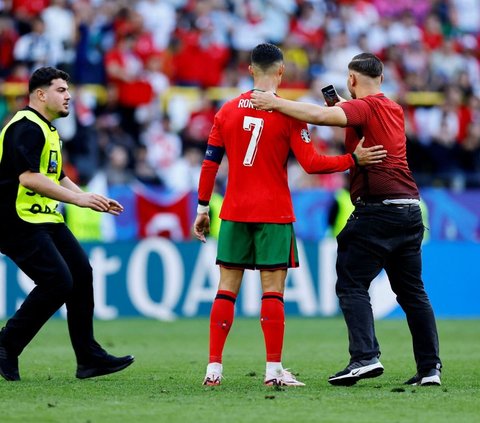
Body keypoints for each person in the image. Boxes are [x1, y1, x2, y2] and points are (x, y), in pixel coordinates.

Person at [192, 44, 386, 387]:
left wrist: (203, 207)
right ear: (281, 72)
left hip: (235, 210)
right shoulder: (290, 113)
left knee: (226, 291)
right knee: (273, 293)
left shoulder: (226, 111)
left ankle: (213, 369)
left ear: (251, 70)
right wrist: (353, 160)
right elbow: (312, 164)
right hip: (274, 212)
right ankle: (273, 372)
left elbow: (210, 164)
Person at [251, 52, 442, 387]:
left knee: (351, 283)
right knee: (413, 293)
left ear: (352, 80)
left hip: (377, 210)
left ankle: (364, 357)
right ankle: (430, 369)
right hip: (410, 209)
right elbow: (352, 113)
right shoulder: (392, 108)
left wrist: (274, 103)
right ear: (381, 79)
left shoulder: (361, 107)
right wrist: (341, 103)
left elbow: (320, 116)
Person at [0, 67, 134, 382]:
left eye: (67, 90)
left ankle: (88, 358)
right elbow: (29, 177)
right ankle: (6, 344)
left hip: (42, 216)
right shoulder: (26, 126)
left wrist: (88, 197)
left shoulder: (48, 130)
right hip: (15, 218)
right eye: (60, 89)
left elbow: (56, 176)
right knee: (58, 282)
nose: (68, 95)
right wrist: (78, 201)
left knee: (80, 274)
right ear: (40, 94)